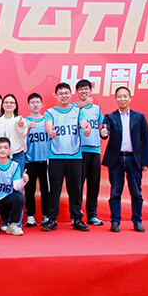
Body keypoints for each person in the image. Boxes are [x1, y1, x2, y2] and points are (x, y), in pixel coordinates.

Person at [43, 82, 92, 232]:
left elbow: (84, 123)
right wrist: (50, 131)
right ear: (56, 96)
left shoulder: (78, 111)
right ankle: (51, 219)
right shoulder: (50, 112)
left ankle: (77, 219)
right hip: (55, 157)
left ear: (71, 95)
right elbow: (48, 125)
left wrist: (86, 128)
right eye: (61, 94)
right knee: (54, 190)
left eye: (66, 93)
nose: (64, 96)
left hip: (74, 156)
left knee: (75, 189)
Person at [102, 86, 148, 232]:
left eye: (125, 96)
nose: (122, 99)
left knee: (136, 192)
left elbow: (146, 140)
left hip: (133, 160)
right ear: (115, 99)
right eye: (119, 96)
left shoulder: (139, 117)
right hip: (116, 159)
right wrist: (103, 132)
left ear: (130, 98)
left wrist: (145, 161)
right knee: (115, 192)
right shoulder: (110, 117)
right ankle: (115, 221)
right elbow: (105, 130)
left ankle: (137, 221)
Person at [75, 79, 106, 227]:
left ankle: (92, 215)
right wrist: (83, 105)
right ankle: (76, 216)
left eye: (86, 89)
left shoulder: (97, 109)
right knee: (78, 185)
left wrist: (104, 132)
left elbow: (101, 127)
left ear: (90, 91)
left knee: (94, 185)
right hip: (79, 151)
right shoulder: (74, 108)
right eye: (81, 89)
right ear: (77, 92)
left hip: (95, 150)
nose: (84, 91)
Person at [0, 137, 28, 235]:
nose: (2, 150)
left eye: (5, 148)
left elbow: (16, 187)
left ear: (9, 150)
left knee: (19, 197)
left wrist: (23, 181)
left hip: (6, 199)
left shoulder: (14, 165)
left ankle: (12, 225)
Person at [23, 92, 50, 228]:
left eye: (37, 102)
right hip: (30, 161)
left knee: (46, 190)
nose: (35, 105)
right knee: (29, 190)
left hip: (46, 161)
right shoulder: (24, 121)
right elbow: (20, 139)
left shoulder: (47, 120)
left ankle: (46, 215)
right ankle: (30, 216)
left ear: (42, 104)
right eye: (32, 102)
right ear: (28, 105)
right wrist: (28, 129)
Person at [0, 93, 28, 161]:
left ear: (15, 106)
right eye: (6, 102)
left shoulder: (19, 120)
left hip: (16, 155)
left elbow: (23, 133)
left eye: (11, 103)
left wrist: (20, 126)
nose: (9, 104)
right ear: (2, 105)